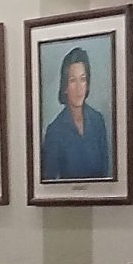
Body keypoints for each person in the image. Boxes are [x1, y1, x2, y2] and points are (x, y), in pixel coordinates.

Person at [39, 47, 113, 183]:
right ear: (65, 87)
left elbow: (106, 174)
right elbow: (49, 182)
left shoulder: (98, 121)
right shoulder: (54, 131)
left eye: (83, 79)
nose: (79, 88)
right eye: (72, 80)